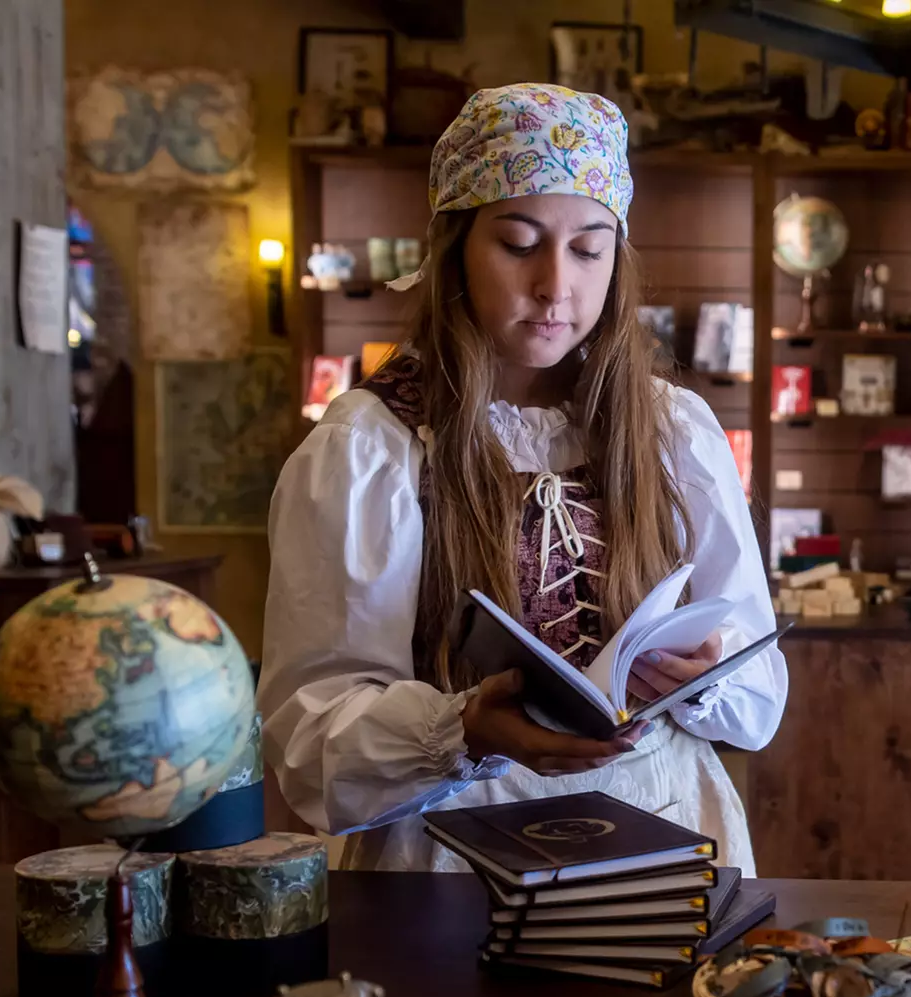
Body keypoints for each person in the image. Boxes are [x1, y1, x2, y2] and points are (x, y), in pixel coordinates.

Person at [258, 84, 786, 872]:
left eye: (587, 247)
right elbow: (310, 745)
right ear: (455, 249)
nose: (554, 285)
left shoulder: (674, 432)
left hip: (662, 846)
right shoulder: (369, 449)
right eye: (518, 242)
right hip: (446, 861)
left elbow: (758, 699)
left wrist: (707, 674)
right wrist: (461, 728)